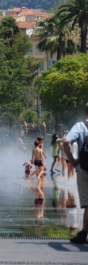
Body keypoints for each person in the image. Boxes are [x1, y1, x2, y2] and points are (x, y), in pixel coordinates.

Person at [63, 102, 88, 244]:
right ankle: (84, 233)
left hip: (84, 169)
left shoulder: (81, 126)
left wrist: (72, 160)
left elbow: (66, 141)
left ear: (85, 112)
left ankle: (84, 234)